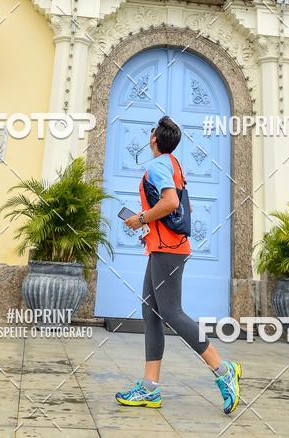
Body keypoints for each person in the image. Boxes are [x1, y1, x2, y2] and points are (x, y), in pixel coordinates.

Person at [115, 116, 242, 415]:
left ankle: (223, 370)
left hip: (167, 250)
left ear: (155, 139)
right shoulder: (173, 164)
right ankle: (149, 387)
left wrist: (140, 219)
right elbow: (182, 203)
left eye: (151, 132)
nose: (149, 137)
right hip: (164, 248)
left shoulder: (159, 165)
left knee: (171, 312)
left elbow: (171, 203)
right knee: (152, 311)